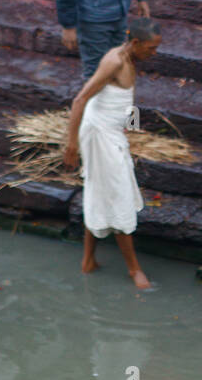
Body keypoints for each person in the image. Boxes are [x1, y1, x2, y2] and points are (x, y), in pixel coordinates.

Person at [62, 17, 162, 290]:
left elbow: (124, 98)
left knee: (98, 193)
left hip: (113, 131)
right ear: (136, 43)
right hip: (99, 134)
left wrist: (129, 126)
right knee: (119, 197)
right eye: (151, 49)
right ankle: (134, 271)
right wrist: (71, 144)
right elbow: (80, 99)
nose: (154, 54)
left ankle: (88, 261)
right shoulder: (114, 61)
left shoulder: (131, 59)